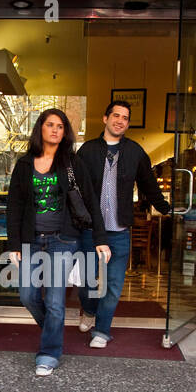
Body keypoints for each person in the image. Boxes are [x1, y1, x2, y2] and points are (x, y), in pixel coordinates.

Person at [6, 108, 110, 377]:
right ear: (40, 128)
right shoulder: (25, 164)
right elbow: (14, 207)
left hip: (62, 241)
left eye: (60, 126)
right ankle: (53, 329)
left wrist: (100, 239)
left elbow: (91, 204)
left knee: (54, 302)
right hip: (31, 240)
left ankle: (49, 353)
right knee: (27, 295)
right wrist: (14, 244)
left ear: (65, 132)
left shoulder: (72, 163)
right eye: (49, 124)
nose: (54, 129)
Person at [75, 100, 171, 347]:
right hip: (89, 231)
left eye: (125, 117)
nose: (120, 120)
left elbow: (149, 185)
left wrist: (165, 209)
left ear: (127, 123)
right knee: (87, 282)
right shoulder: (86, 151)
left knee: (114, 285)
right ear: (105, 118)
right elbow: (75, 190)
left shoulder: (135, 152)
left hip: (119, 231)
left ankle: (101, 331)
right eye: (116, 115)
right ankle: (88, 310)